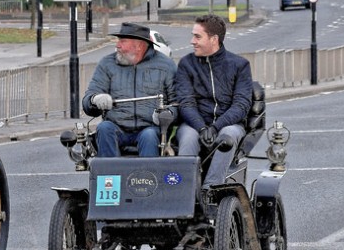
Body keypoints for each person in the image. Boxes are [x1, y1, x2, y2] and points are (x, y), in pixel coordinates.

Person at [175, 13, 254, 189]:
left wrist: (215, 127)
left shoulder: (240, 65)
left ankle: (211, 189)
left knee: (228, 135)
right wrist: (202, 127)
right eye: (192, 35)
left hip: (228, 124)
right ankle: (184, 191)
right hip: (195, 124)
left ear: (214, 39)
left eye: (197, 36)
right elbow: (185, 102)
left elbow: (241, 105)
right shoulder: (186, 64)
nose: (192, 41)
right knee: (188, 138)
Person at [81, 22, 177, 157]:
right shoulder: (106, 64)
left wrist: (166, 114)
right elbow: (88, 99)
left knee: (149, 135)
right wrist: (94, 100)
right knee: (104, 128)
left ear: (139, 45)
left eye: (123, 41)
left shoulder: (166, 66)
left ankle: (148, 176)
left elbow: (177, 103)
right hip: (116, 127)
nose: (117, 45)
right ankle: (110, 176)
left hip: (149, 128)